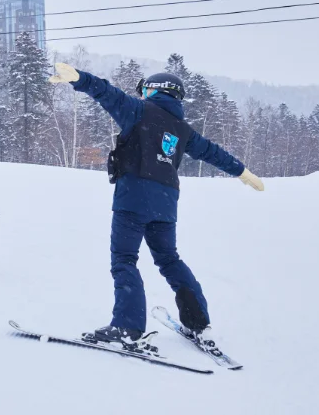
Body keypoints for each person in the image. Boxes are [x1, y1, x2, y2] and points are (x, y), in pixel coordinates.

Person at [48, 63, 265, 346]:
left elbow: (108, 94)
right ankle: (199, 323)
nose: (143, 93)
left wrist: (80, 78)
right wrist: (241, 171)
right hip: (165, 204)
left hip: (133, 198)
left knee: (125, 259)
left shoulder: (138, 111)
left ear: (156, 90)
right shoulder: (183, 130)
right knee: (169, 259)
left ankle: (127, 327)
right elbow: (213, 152)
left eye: (146, 89)